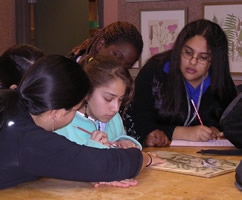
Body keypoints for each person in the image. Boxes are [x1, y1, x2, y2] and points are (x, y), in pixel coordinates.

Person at [0, 55, 164, 189]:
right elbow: (111, 165)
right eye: (75, 109)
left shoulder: (12, 105)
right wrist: (146, 158)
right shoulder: (32, 141)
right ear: (56, 113)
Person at [125, 19, 237, 147]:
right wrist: (180, 133)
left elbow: (232, 125)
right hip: (157, 157)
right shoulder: (156, 71)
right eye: (188, 52)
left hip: (205, 161)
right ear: (179, 49)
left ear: (215, 61)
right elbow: (136, 121)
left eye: (203, 57)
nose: (192, 62)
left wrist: (216, 130)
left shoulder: (221, 83)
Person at [56, 55, 142, 149]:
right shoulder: (63, 125)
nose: (116, 108)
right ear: (87, 92)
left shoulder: (114, 119)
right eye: (108, 99)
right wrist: (93, 151)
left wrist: (124, 142)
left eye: (120, 99)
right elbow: (65, 162)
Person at [68, 21, 143, 69]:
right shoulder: (66, 72)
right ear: (100, 45)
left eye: (127, 66)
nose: (119, 68)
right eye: (116, 56)